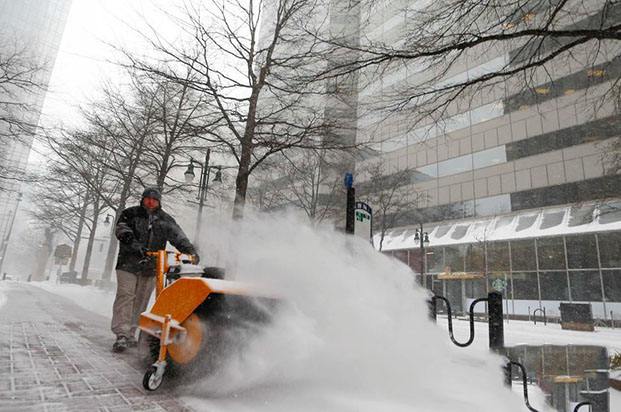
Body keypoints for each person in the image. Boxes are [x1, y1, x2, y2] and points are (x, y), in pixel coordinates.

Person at [111, 187, 198, 353]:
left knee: (141, 300)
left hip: (150, 266)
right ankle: (121, 334)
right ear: (142, 199)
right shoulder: (131, 213)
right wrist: (134, 245)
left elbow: (178, 236)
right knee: (126, 296)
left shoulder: (165, 220)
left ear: (159, 202)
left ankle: (131, 333)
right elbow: (122, 230)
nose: (151, 202)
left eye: (154, 199)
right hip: (128, 263)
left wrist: (190, 250)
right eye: (147, 198)